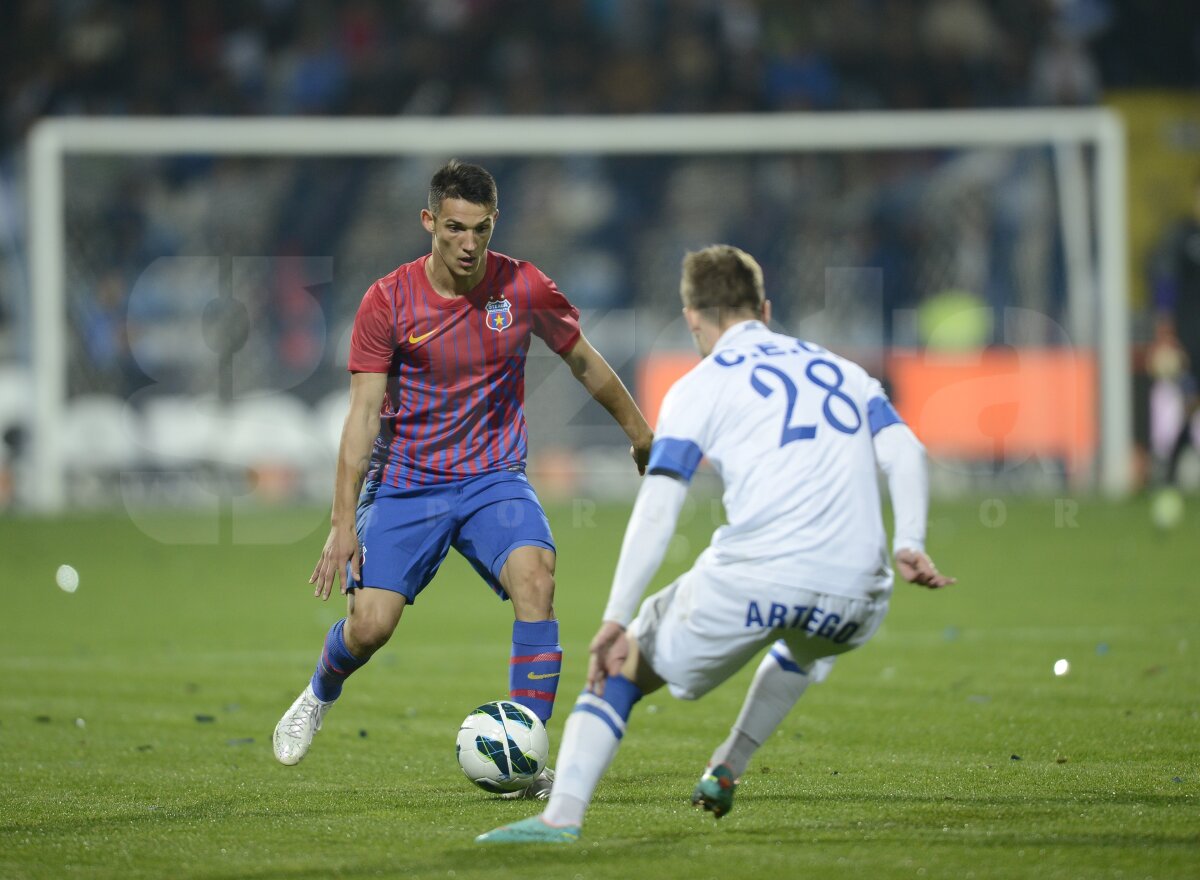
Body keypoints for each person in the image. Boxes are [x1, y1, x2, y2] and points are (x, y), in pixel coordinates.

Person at [477, 244, 954, 842]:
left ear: (692, 318)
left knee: (619, 666)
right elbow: (906, 450)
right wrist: (909, 539)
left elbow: (659, 506)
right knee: (807, 647)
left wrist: (617, 617)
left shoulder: (699, 386)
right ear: (766, 307)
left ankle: (560, 818)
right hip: (860, 590)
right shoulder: (843, 370)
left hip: (760, 575)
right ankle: (729, 764)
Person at [273, 160, 654, 800]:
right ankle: (320, 690)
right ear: (429, 222)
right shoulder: (387, 301)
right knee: (371, 625)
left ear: (493, 223)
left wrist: (642, 434)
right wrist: (342, 525)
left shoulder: (523, 287)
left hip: (492, 480)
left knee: (537, 578)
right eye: (454, 227)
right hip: (405, 482)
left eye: (480, 229)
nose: (469, 244)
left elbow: (584, 361)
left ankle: (525, 753)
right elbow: (363, 417)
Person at [1148, 174, 1200, 497]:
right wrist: (1166, 331)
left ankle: (1169, 471)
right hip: (1191, 335)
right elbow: (1165, 285)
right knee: (1190, 402)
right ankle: (1169, 471)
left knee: (1191, 404)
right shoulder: (1183, 237)